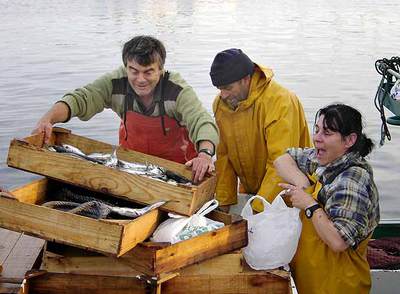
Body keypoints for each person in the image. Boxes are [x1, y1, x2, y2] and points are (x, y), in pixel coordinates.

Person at [32, 35, 219, 183]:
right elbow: (81, 99)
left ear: (161, 70)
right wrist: (48, 119)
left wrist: (205, 155)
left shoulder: (177, 90)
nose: (140, 79)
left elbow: (202, 121)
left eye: (149, 72)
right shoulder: (115, 82)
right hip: (130, 167)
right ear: (126, 67)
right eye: (134, 71)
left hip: (177, 173)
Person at [274, 103, 380, 293]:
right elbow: (282, 159)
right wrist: (303, 184)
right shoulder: (324, 160)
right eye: (317, 130)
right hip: (311, 281)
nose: (317, 138)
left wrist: (309, 205)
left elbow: (338, 241)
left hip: (338, 285)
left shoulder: (351, 180)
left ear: (349, 140)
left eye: (327, 133)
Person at [209, 48, 311, 212]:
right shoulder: (221, 105)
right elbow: (224, 156)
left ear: (246, 79)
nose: (223, 95)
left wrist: (257, 209)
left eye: (228, 88)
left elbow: (280, 164)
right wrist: (224, 202)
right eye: (219, 88)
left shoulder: (281, 102)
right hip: (253, 192)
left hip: (291, 197)